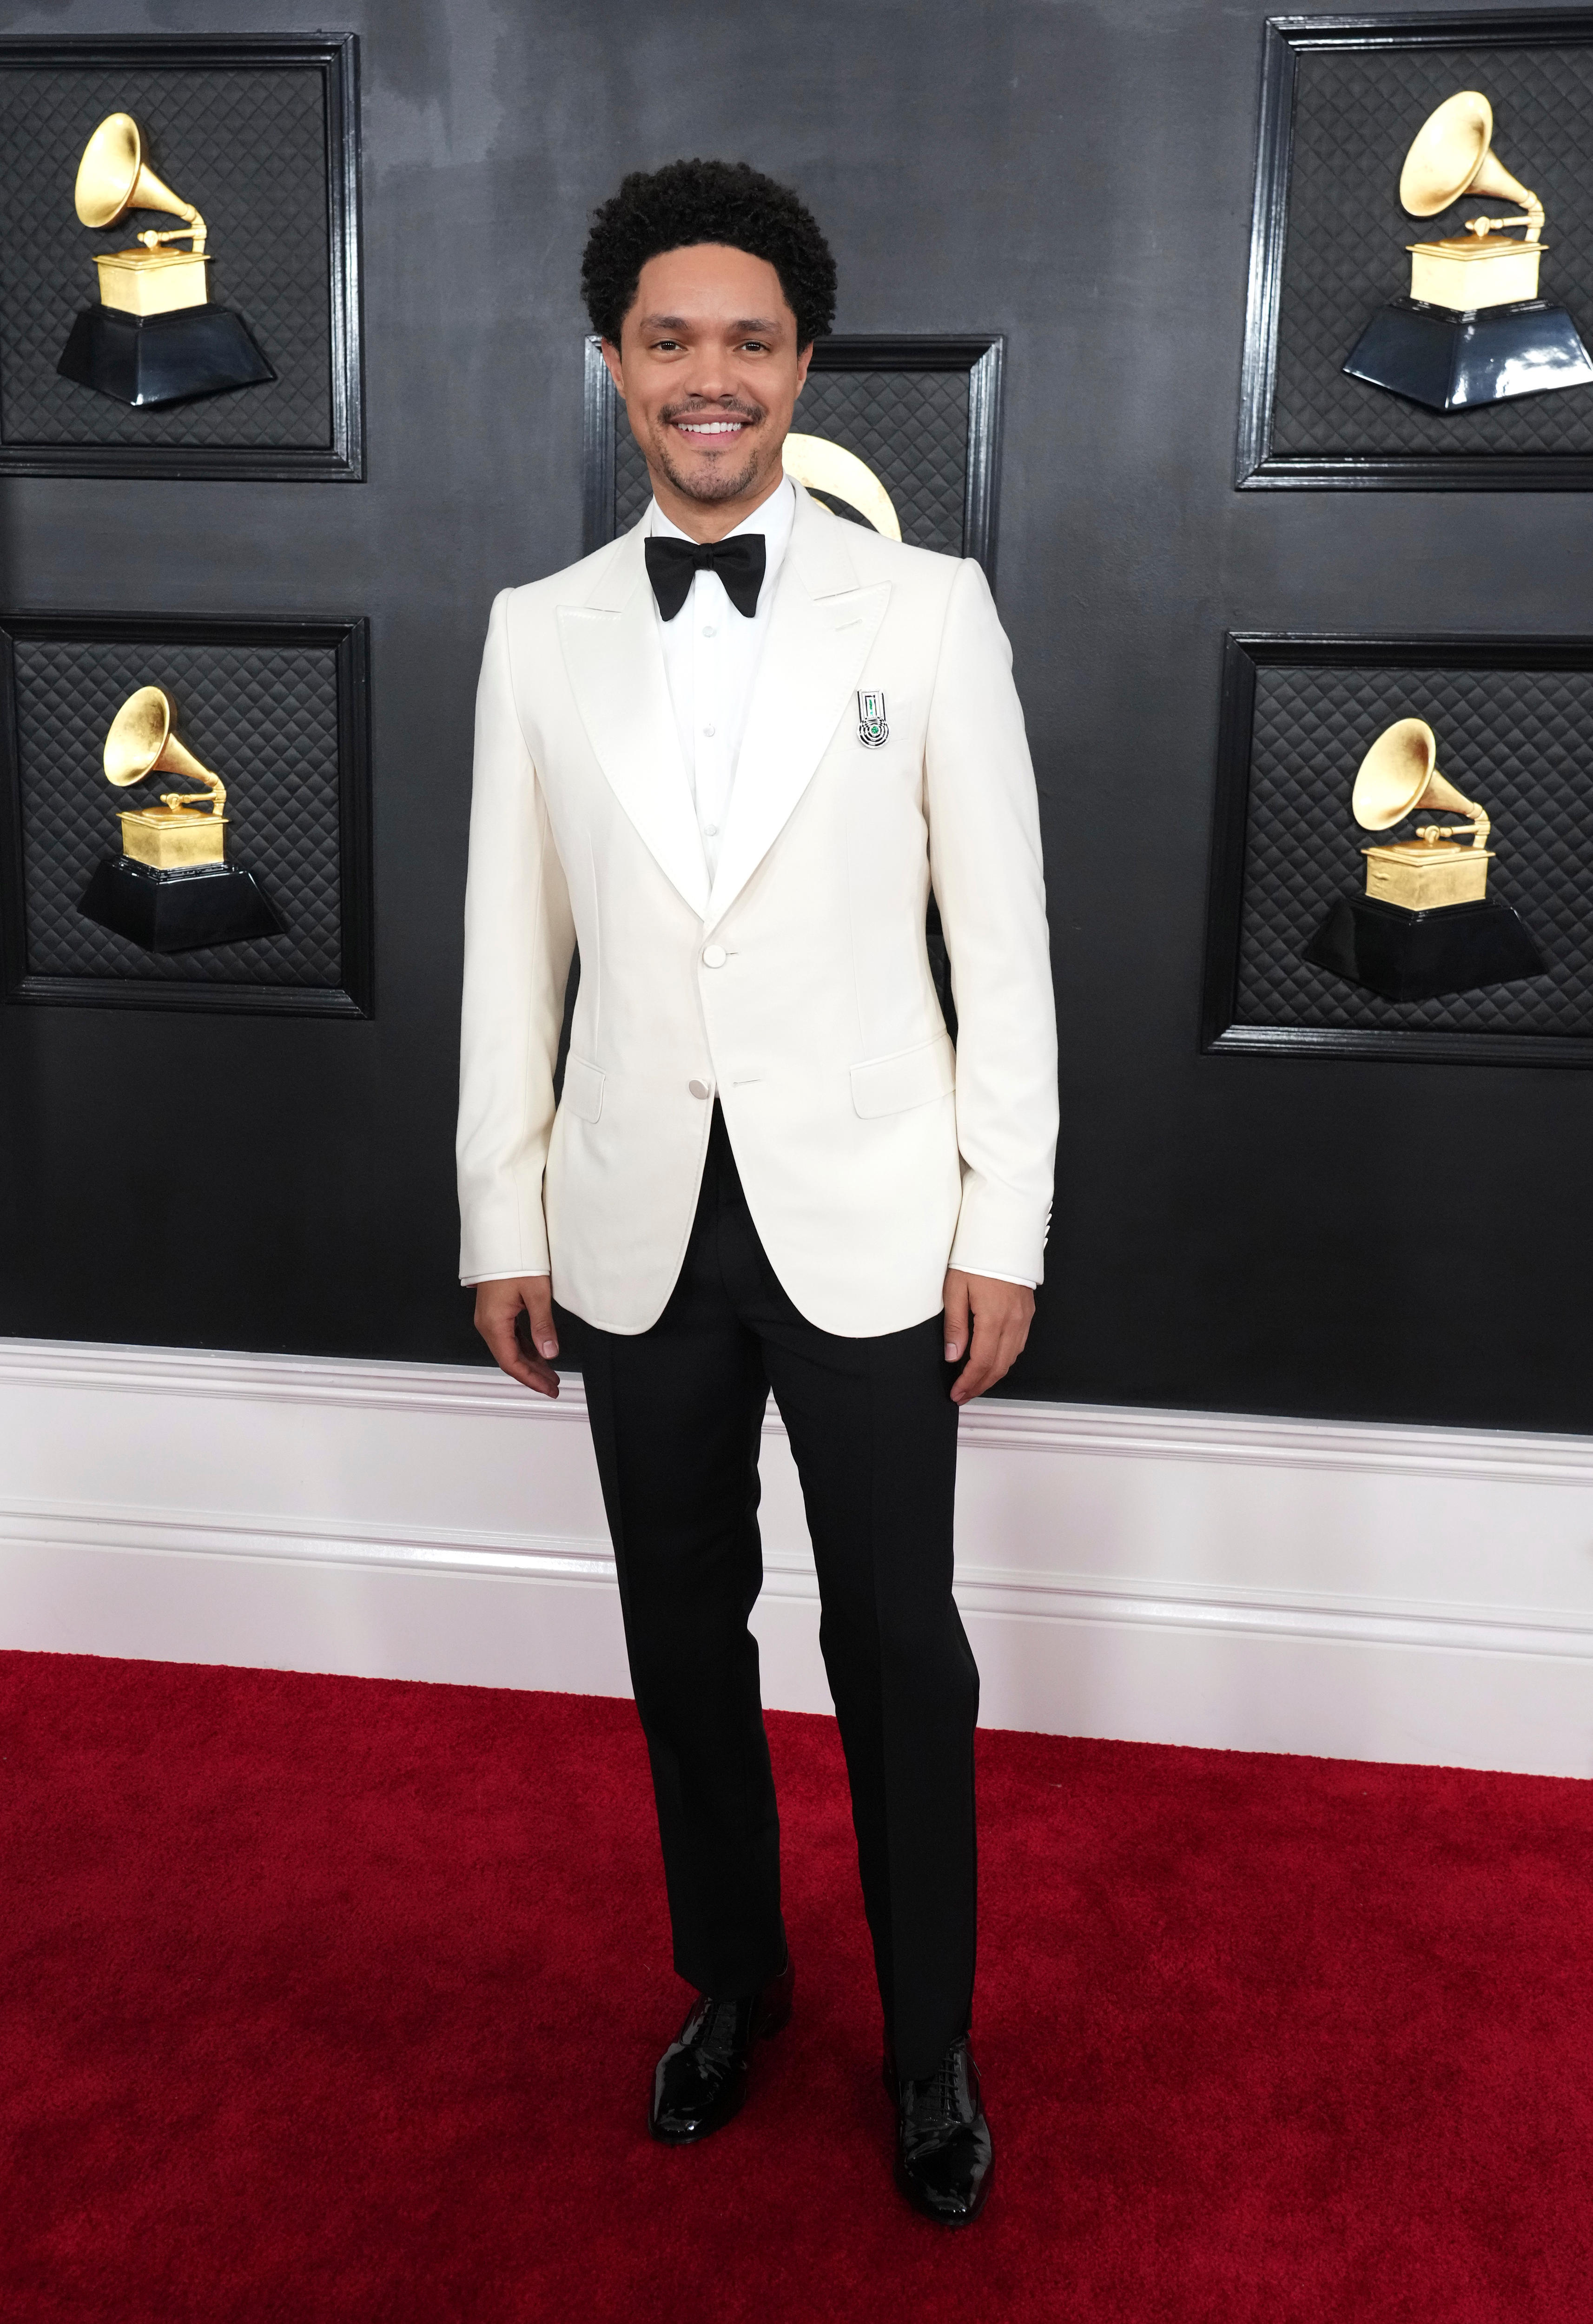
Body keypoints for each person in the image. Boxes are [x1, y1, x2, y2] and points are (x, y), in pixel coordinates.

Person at [457, 158, 1057, 2226]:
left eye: (748, 342)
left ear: (801, 364)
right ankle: (735, 1980)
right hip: (633, 1218)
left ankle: (928, 2039)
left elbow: (1004, 945)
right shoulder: (534, 637)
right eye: (665, 340)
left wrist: (1004, 1220)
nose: (707, 378)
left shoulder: (932, 609)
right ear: (610, 364)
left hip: (879, 1215)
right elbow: (504, 950)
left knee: (901, 1639)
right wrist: (501, 1217)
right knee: (677, 1630)